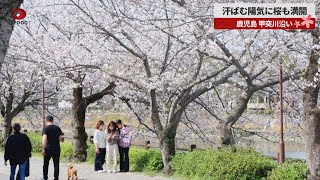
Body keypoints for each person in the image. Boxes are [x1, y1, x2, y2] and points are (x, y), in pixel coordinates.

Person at [42, 115, 63, 180]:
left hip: (48, 148)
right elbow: (60, 138)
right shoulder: (58, 128)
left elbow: (44, 139)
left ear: (46, 120)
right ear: (53, 120)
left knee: (46, 163)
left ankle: (45, 177)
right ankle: (56, 177)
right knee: (56, 164)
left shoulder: (46, 128)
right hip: (56, 148)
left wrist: (43, 149)